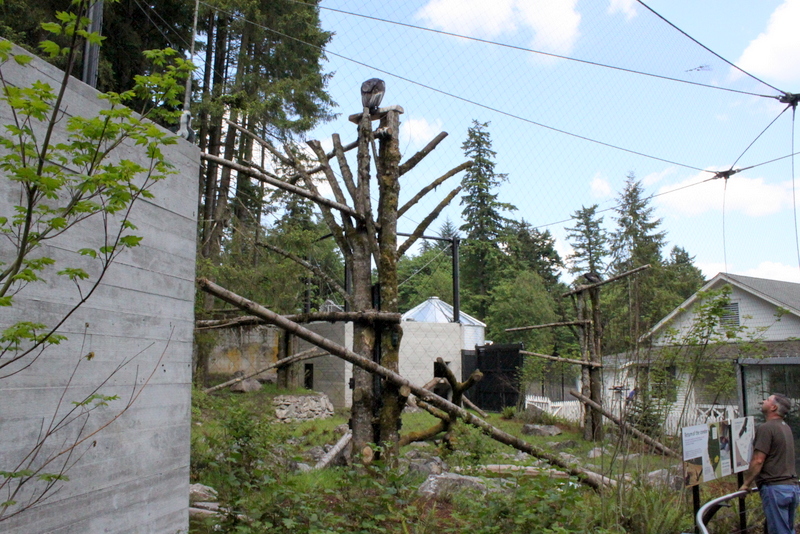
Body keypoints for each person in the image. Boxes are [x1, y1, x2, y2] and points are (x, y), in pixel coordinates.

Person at [739, 394, 800, 534]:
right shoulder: (786, 428)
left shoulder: (766, 428)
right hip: (792, 487)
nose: (763, 401)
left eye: (767, 400)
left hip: (775, 488)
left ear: (773, 407)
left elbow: (758, 460)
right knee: (787, 530)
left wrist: (746, 484)